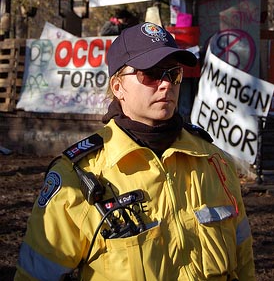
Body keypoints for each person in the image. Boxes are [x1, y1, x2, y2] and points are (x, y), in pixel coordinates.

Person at [15, 22, 255, 281]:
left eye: (173, 73)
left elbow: (243, 262)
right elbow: (36, 275)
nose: (165, 85)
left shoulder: (214, 161)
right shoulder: (80, 176)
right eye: (150, 74)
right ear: (117, 87)